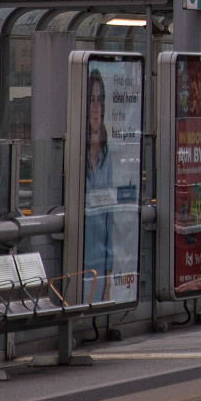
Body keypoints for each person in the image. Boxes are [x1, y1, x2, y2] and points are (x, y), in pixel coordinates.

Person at [82, 68, 115, 302]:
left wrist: (109, 274)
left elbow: (110, 217)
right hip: (80, 264)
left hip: (101, 268)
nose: (96, 107)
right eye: (92, 100)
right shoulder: (77, 154)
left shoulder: (106, 156)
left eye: (100, 100)